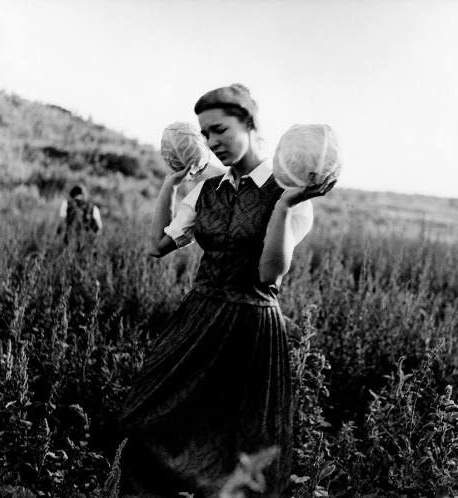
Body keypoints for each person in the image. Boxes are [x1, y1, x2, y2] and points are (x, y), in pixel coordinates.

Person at [118, 84, 336, 497]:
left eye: (220, 129)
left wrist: (286, 206)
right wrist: (171, 185)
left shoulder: (286, 191)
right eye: (206, 134)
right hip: (198, 319)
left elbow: (269, 275)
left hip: (250, 327)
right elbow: (157, 247)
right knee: (147, 418)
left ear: (250, 125)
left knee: (238, 450)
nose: (212, 142)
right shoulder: (206, 190)